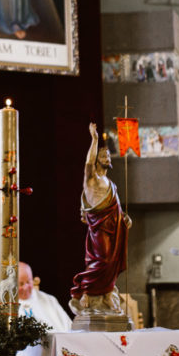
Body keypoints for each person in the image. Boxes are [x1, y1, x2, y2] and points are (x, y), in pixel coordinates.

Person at [69, 122, 132, 315]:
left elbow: (117, 209)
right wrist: (95, 139)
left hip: (114, 227)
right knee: (102, 260)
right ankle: (87, 291)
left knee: (111, 263)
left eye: (107, 155)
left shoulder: (111, 184)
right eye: (103, 155)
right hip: (99, 226)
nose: (107, 157)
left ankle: (106, 295)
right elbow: (88, 164)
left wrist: (125, 220)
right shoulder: (91, 179)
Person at [0, 261, 71, 331]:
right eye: (20, 284)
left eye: (28, 281)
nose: (26, 287)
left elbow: (67, 330)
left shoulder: (49, 300)